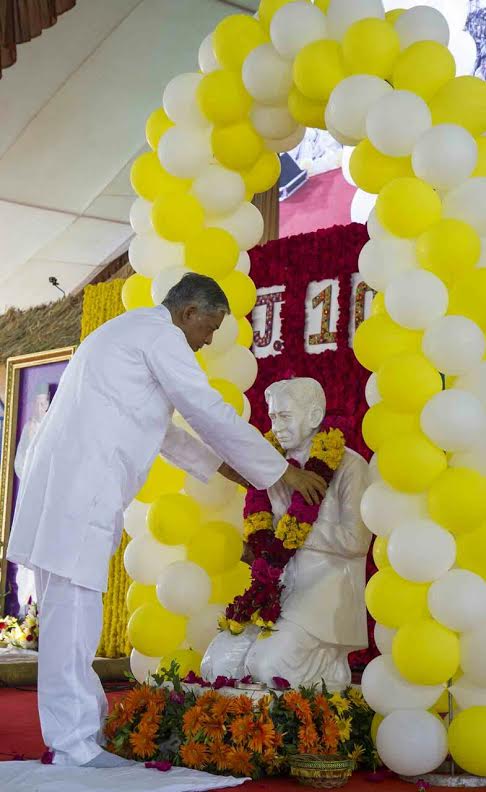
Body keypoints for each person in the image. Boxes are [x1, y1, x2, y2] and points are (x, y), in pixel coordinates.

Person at [6, 274, 326, 769]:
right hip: (81, 487)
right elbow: (205, 410)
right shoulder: (161, 336)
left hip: (71, 485)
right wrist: (280, 471)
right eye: (211, 326)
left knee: (73, 614)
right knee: (73, 615)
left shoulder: (133, 334)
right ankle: (74, 744)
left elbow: (166, 434)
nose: (210, 339)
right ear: (187, 313)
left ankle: (81, 736)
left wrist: (236, 472)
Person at [202, 377, 371, 691]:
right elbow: (263, 527)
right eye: (272, 416)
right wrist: (257, 548)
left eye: (285, 416)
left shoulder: (350, 466)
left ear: (313, 417)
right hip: (279, 588)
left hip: (325, 591)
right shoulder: (272, 465)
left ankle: (328, 676)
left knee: (268, 668)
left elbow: (356, 540)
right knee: (216, 664)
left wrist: (293, 528)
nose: (275, 425)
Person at [14, 383, 51, 612]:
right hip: (29, 490)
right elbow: (19, 462)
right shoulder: (29, 427)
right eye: (39, 403)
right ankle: (23, 606)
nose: (43, 406)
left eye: (46, 402)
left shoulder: (52, 427)